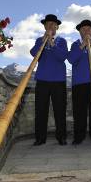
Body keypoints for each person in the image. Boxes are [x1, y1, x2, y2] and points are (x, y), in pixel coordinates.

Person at [30, 14, 69, 146]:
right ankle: (40, 138)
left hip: (58, 80)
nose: (51, 26)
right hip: (42, 80)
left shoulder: (61, 41)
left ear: (57, 27)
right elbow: (34, 54)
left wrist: (51, 43)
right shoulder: (39, 40)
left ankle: (61, 137)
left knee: (60, 110)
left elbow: (62, 56)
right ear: (45, 26)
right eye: (48, 24)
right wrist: (43, 41)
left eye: (53, 24)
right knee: (40, 110)